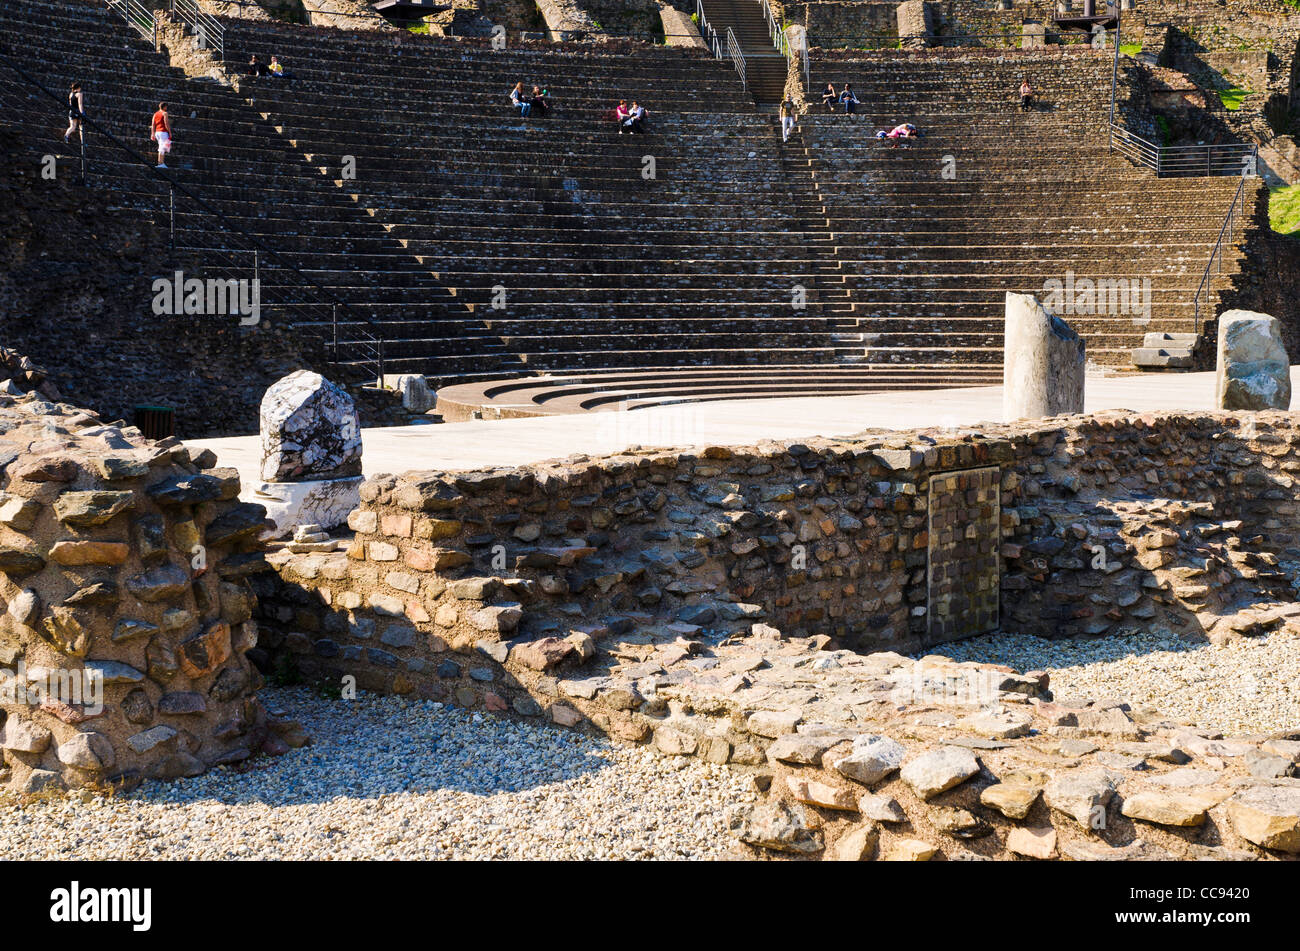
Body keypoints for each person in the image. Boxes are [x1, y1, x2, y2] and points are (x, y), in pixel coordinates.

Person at [151, 101, 171, 169]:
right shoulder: (165, 113)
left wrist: (152, 134)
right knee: (162, 148)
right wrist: (170, 132)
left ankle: (161, 163)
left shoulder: (155, 114)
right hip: (163, 132)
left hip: (157, 133)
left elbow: (153, 124)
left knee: (162, 147)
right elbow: (166, 123)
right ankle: (160, 163)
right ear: (164, 107)